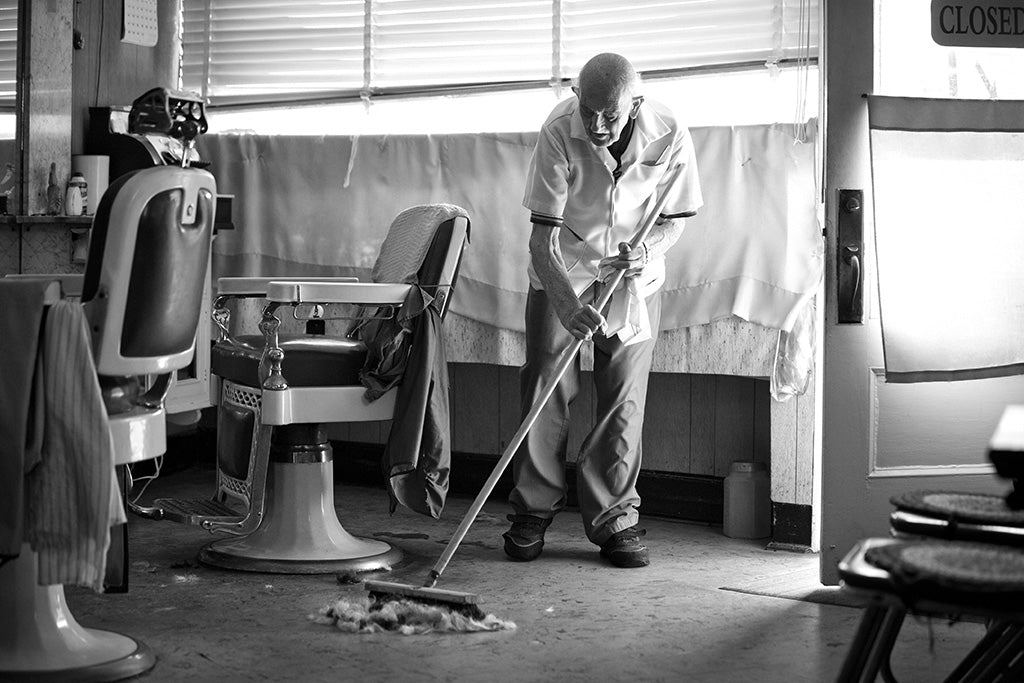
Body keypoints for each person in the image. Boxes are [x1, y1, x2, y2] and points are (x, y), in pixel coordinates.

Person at [505, 53, 703, 568]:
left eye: (609, 115)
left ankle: (615, 517)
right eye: (586, 109)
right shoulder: (557, 128)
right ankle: (532, 509)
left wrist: (647, 251)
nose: (594, 124)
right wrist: (568, 306)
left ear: (635, 104)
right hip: (564, 268)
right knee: (545, 386)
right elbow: (540, 238)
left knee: (623, 396)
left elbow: (675, 219)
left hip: (633, 272)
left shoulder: (671, 131)